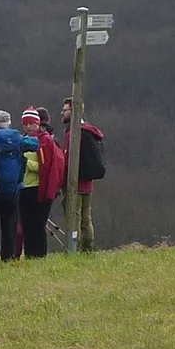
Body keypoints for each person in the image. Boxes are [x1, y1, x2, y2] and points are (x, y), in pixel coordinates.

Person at [0, 110, 32, 261]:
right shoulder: (17, 139)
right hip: (13, 189)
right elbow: (34, 145)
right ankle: (8, 258)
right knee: (10, 225)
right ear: (8, 123)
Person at [17, 106, 65, 259]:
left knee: (38, 225)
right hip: (23, 189)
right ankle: (30, 256)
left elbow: (45, 167)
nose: (29, 127)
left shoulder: (44, 141)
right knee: (27, 226)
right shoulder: (21, 140)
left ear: (38, 123)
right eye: (26, 124)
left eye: (32, 123)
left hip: (38, 189)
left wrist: (26, 163)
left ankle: (39, 256)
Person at [61, 98, 104, 252]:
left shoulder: (74, 133)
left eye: (65, 110)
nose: (62, 113)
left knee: (74, 218)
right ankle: (87, 248)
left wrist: (61, 181)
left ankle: (74, 249)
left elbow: (67, 160)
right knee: (86, 218)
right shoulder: (90, 131)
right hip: (88, 183)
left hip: (75, 184)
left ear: (73, 112)